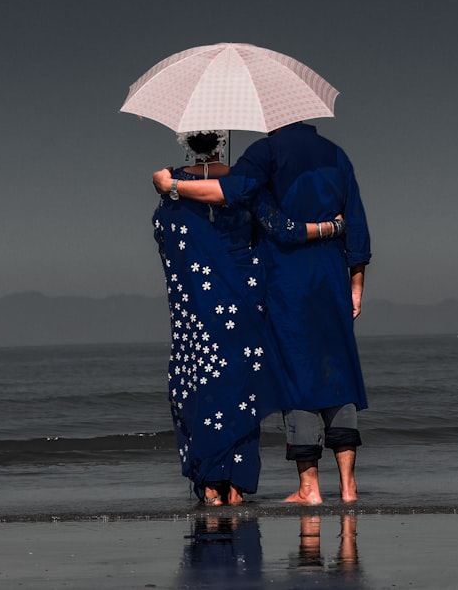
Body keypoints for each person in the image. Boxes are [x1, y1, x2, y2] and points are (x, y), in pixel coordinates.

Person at [153, 122, 371, 505]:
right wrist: (355, 281)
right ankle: (349, 487)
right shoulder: (337, 154)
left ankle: (309, 488)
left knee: (296, 377)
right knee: (339, 376)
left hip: (283, 281)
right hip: (329, 278)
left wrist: (171, 186)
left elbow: (252, 208)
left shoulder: (264, 155)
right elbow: (356, 224)